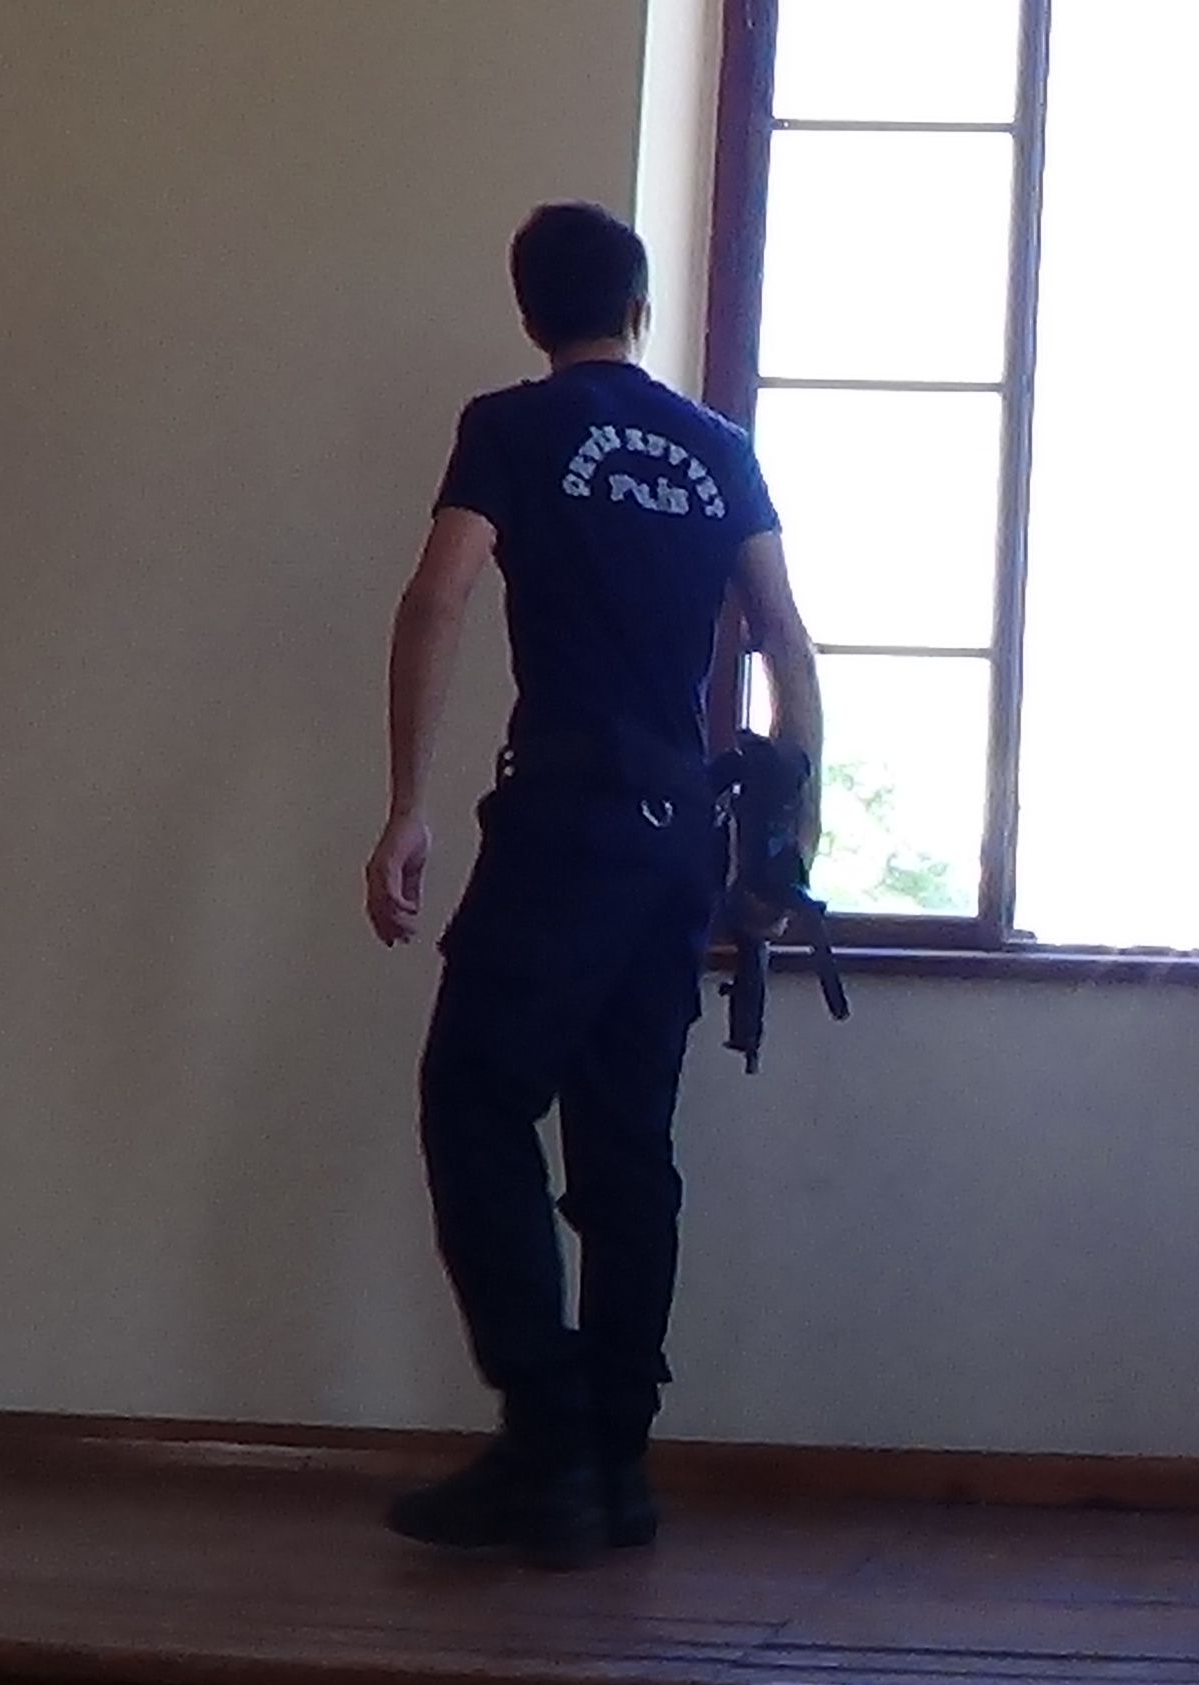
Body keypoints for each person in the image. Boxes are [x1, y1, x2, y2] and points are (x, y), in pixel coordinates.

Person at [362, 202, 824, 1568]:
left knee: (474, 1095)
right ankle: (615, 1468)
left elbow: (439, 597)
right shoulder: (720, 446)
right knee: (626, 1144)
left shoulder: (512, 426)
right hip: (679, 833)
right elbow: (788, 648)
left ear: (531, 315)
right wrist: (780, 850)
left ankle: (548, 1445)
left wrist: (405, 806)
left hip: (568, 816)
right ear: (638, 307)